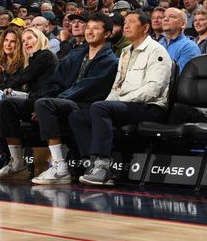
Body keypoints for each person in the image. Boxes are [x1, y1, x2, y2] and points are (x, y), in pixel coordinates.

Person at [0, 13, 118, 183]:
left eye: (95, 28)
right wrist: (42, 101)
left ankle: (59, 167)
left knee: (44, 103)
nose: (89, 31)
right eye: (88, 28)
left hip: (83, 105)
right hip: (58, 102)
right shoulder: (75, 55)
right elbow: (54, 83)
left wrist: (50, 101)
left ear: (107, 34)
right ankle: (17, 164)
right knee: (8, 104)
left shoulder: (111, 61)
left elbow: (86, 88)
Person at [69, 11, 172, 186]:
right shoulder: (125, 52)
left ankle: (103, 166)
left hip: (151, 107)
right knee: (77, 116)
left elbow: (154, 89)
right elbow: (117, 86)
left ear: (145, 28)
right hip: (127, 105)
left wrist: (119, 102)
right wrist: (110, 103)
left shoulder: (156, 50)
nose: (126, 25)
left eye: (132, 22)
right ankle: (93, 162)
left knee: (100, 108)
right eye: (125, 22)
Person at [159, 7, 199, 72]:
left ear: (183, 24)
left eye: (171, 17)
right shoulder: (160, 43)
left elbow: (181, 77)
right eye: (164, 17)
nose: (165, 19)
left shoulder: (189, 47)